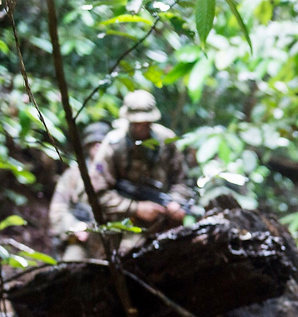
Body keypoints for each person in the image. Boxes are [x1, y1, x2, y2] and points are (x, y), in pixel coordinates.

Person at [88, 90, 193, 252]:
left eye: (145, 122)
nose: (141, 127)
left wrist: (175, 202)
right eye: (136, 123)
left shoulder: (166, 141)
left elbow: (182, 180)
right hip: (120, 225)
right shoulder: (113, 145)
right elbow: (97, 192)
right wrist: (135, 208)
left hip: (160, 222)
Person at [48, 122, 112, 261]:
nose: (97, 147)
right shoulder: (73, 175)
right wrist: (75, 227)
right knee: (71, 266)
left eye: (101, 143)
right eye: (93, 143)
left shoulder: (117, 174)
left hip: (111, 239)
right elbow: (57, 209)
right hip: (81, 241)